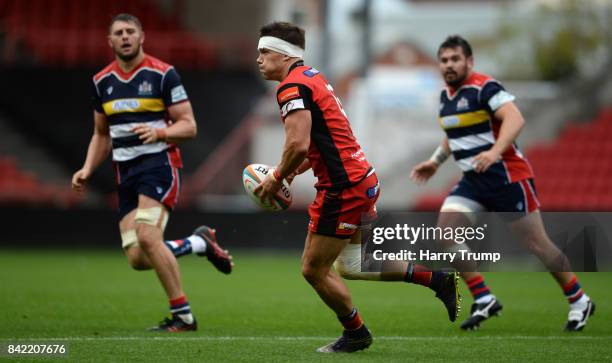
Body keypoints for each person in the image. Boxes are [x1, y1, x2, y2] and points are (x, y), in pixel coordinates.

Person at [254, 21, 461, 353]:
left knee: (312, 268)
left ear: (284, 54)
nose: (259, 59)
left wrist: (277, 177)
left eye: (264, 52)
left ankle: (356, 334)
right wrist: (292, 173)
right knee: (353, 265)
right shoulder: (313, 77)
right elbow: (322, 143)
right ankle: (436, 279)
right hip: (361, 178)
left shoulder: (291, 88)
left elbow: (297, 144)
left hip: (343, 187)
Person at [410, 35, 595, 331]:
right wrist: (435, 161)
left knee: (537, 243)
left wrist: (495, 152)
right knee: (446, 232)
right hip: (472, 180)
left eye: (455, 59)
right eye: (444, 60)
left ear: (469, 61)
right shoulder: (447, 97)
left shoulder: (485, 87)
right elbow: (453, 135)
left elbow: (515, 118)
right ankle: (483, 298)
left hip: (507, 177)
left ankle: (579, 299)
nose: (449, 65)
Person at [71, 13, 233, 332]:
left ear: (142, 36)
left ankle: (183, 316)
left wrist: (160, 133)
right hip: (125, 173)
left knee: (148, 237)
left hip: (158, 166)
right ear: (110, 41)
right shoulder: (101, 81)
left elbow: (189, 125)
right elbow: (101, 134)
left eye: (131, 31)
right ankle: (199, 244)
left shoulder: (163, 75)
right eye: (118, 32)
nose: (125, 36)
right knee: (137, 257)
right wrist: (87, 168)